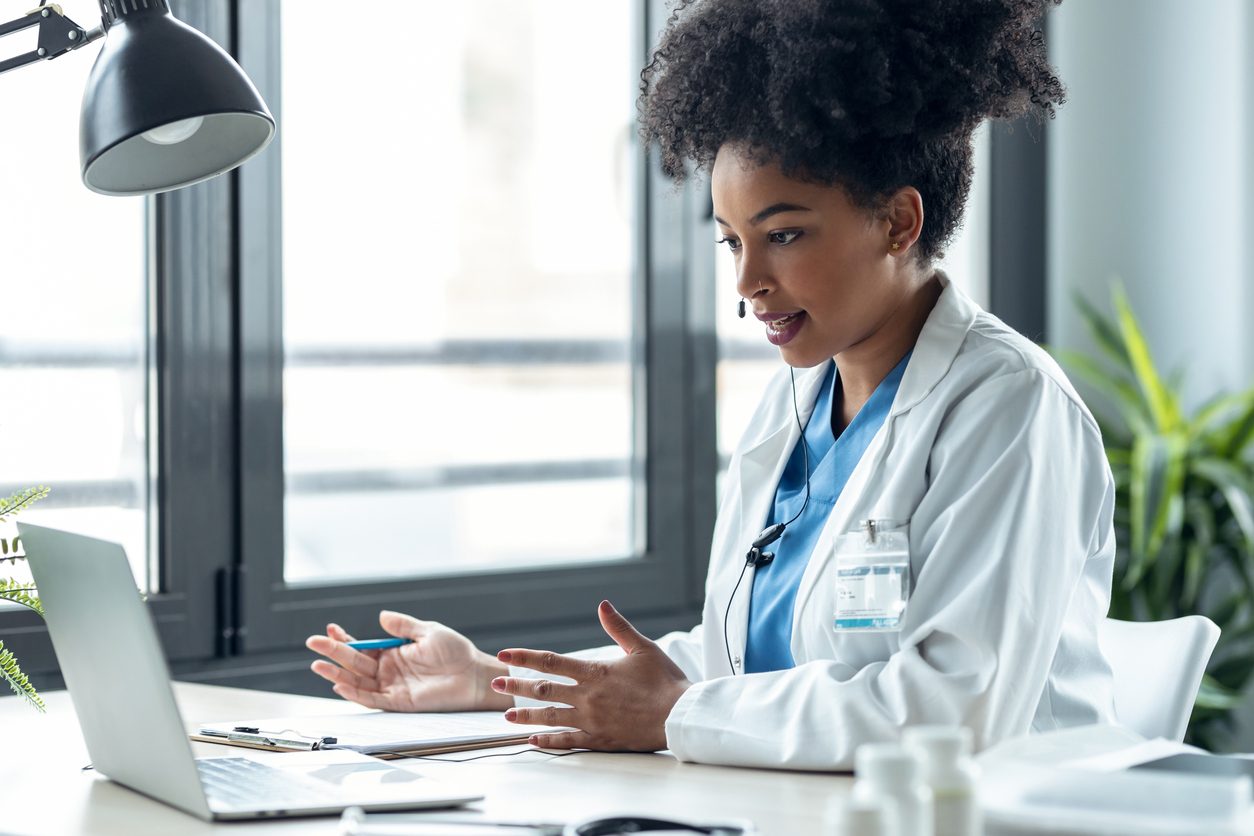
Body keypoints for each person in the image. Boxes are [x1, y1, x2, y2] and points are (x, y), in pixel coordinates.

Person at [307, 0, 1116, 770]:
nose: (748, 281)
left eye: (784, 235)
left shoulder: (1010, 408)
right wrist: (491, 680)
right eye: (732, 242)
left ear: (899, 223)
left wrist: (675, 717)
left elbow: (955, 708)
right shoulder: (794, 406)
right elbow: (739, 663)